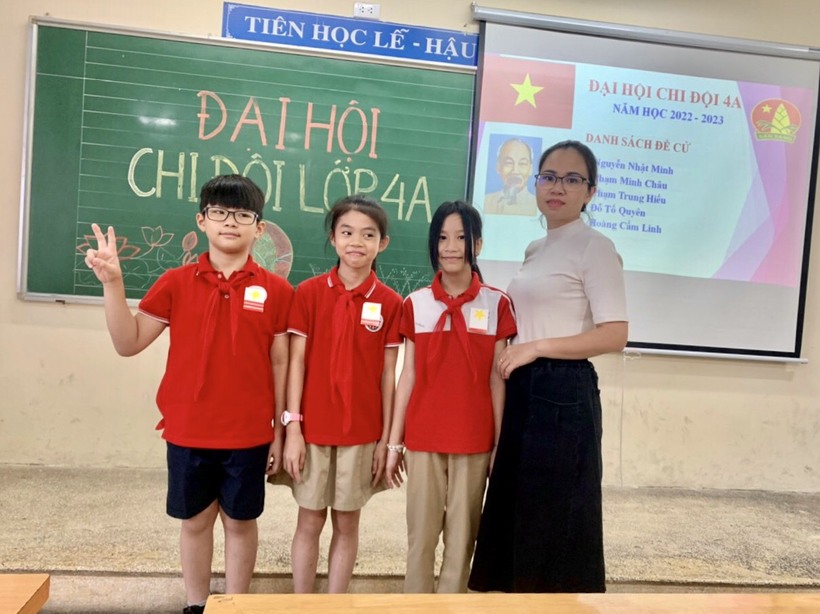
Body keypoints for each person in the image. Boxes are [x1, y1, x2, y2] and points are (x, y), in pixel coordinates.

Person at [84, 174, 294, 614]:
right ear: (202, 221)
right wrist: (113, 284)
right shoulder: (176, 282)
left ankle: (235, 606)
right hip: (189, 430)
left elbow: (280, 363)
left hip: (249, 433)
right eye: (219, 211)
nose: (230, 221)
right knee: (196, 522)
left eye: (242, 214)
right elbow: (128, 342)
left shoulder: (277, 290)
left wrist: (280, 430)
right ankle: (196, 604)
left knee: (241, 523)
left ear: (259, 228)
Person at [468, 140, 629, 593]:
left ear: (590, 191)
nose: (558, 187)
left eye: (572, 179)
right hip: (524, 389)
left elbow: (614, 335)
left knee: (554, 519)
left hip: (564, 394)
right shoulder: (536, 248)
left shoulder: (596, 247)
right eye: (549, 177)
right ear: (536, 184)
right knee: (517, 514)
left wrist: (536, 348)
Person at [385, 201, 517, 593]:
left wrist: (498, 444)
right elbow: (407, 377)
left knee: (462, 543)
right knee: (420, 540)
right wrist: (394, 443)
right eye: (442, 237)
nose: (451, 247)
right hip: (423, 439)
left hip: (474, 441)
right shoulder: (415, 303)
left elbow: (497, 380)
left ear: (478, 244)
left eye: (461, 237)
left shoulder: (497, 303)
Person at [281, 194, 402, 593]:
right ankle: (302, 603)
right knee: (310, 519)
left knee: (347, 522)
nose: (356, 242)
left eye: (368, 234)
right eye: (347, 232)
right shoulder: (308, 293)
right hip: (312, 430)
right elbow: (296, 363)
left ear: (382, 243)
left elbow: (388, 375)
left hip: (362, 433)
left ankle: (335, 604)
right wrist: (293, 427)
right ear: (333, 238)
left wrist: (386, 439)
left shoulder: (391, 303)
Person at [482, 138, 538, 216]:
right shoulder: (485, 202)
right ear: (498, 167)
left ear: (530, 169)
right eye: (509, 163)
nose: (515, 171)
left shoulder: (539, 205)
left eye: (522, 164)